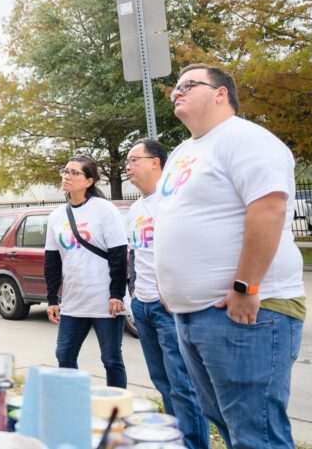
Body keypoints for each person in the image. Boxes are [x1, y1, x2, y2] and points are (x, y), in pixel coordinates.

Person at [156, 64, 305, 449]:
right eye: (176, 87)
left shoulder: (245, 139)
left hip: (247, 311)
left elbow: (269, 208)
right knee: (227, 424)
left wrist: (245, 285)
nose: (178, 92)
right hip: (194, 315)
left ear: (221, 93)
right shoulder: (184, 151)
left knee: (256, 433)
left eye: (189, 84)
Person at [125, 139, 209, 449]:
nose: (128, 166)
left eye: (134, 159)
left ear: (155, 162)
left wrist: (176, 289)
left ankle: (193, 444)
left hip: (169, 308)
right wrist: (133, 291)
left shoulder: (173, 200)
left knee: (183, 385)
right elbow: (133, 254)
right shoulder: (135, 208)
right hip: (143, 308)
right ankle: (175, 440)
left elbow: (192, 247)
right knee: (163, 383)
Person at [43, 155, 128, 388]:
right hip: (73, 300)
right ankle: (73, 403)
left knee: (111, 359)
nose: (67, 176)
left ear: (89, 181)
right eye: (65, 171)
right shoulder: (56, 216)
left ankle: (116, 411)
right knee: (64, 355)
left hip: (105, 299)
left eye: (74, 173)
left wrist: (117, 294)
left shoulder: (105, 210)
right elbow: (52, 262)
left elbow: (119, 254)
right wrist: (52, 298)